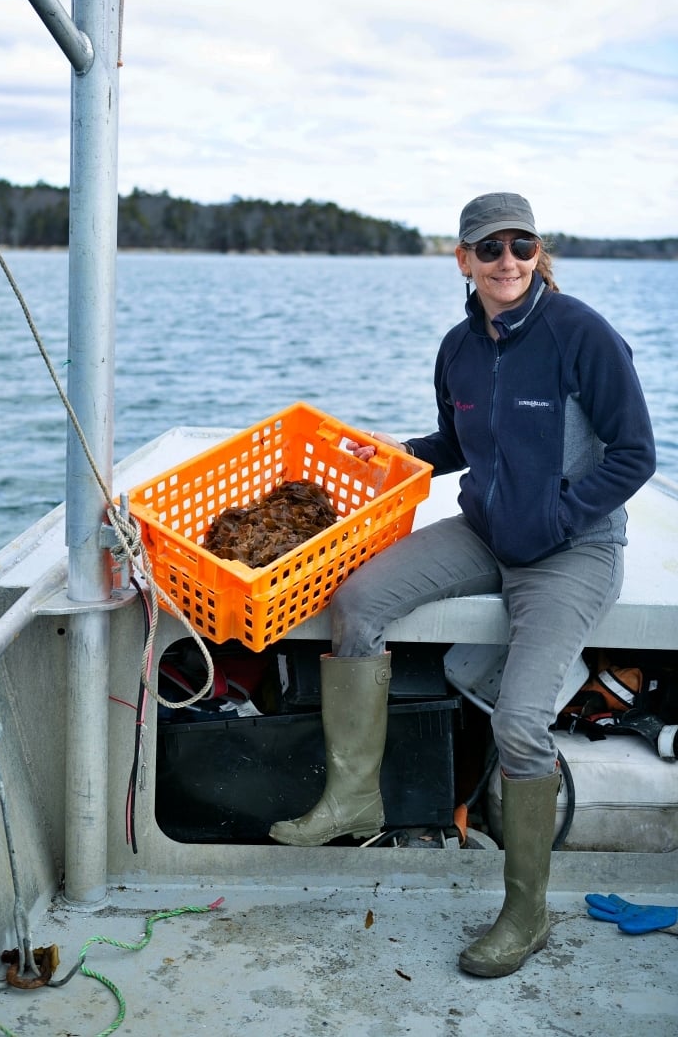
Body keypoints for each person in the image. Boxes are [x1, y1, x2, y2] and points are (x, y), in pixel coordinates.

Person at [269, 192, 657, 978]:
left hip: (571, 548)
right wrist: (387, 458)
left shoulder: (582, 333)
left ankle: (525, 912)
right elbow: (456, 440)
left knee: (520, 721)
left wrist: (557, 515)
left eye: (521, 245)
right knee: (355, 603)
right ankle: (354, 798)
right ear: (463, 260)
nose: (507, 260)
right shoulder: (458, 347)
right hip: (485, 530)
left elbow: (634, 455)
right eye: (489, 248)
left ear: (537, 252)